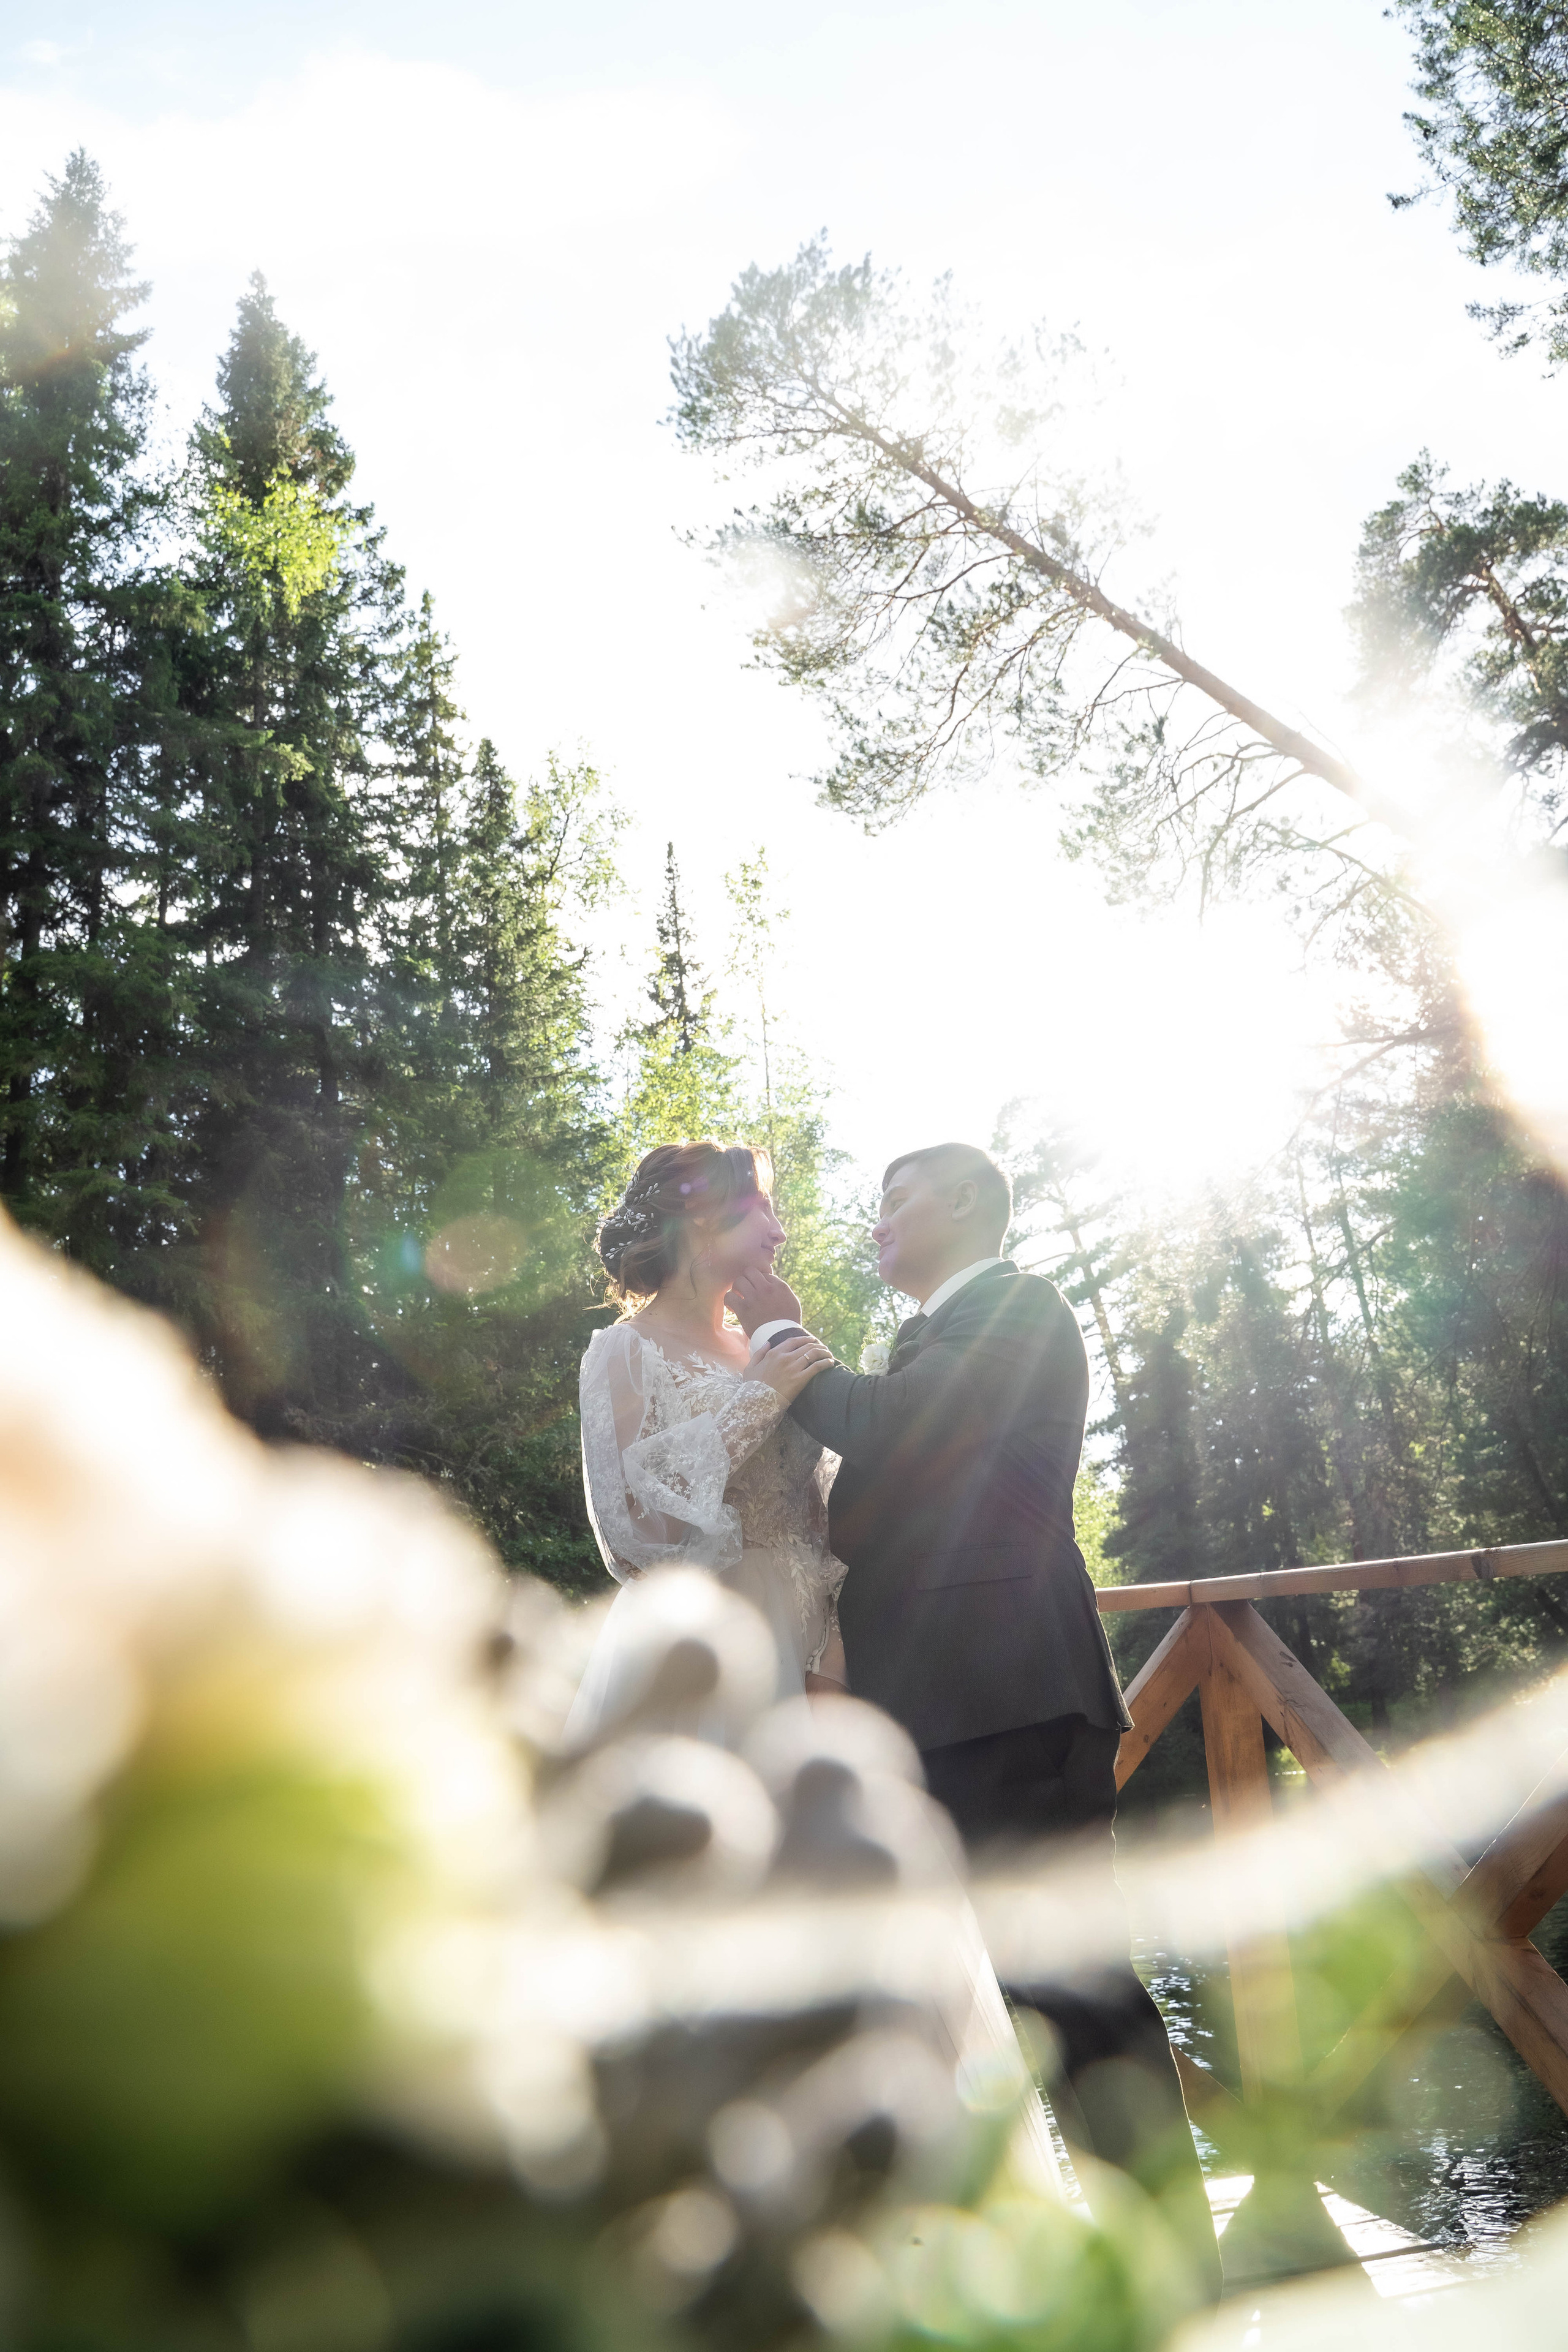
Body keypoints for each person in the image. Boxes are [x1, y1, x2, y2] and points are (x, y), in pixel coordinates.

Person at [728, 1140, 1223, 2299]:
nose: (879, 1222)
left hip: (1010, 1703)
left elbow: (895, 1423)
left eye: (895, 1199)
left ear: (965, 1201)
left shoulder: (1018, 1309)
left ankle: (1179, 2288)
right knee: (995, 1996)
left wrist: (782, 1339)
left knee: (1076, 1995)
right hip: (948, 1711)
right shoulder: (937, 1339)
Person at [565, 1140, 845, 1746]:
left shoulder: (767, 1345)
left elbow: (829, 1518)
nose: (779, 1232)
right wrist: (758, 1400)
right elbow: (632, 1537)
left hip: (809, 1640)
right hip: (703, 1642)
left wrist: (833, 1651)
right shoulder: (624, 1350)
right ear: (702, 1215)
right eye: (762, 1208)